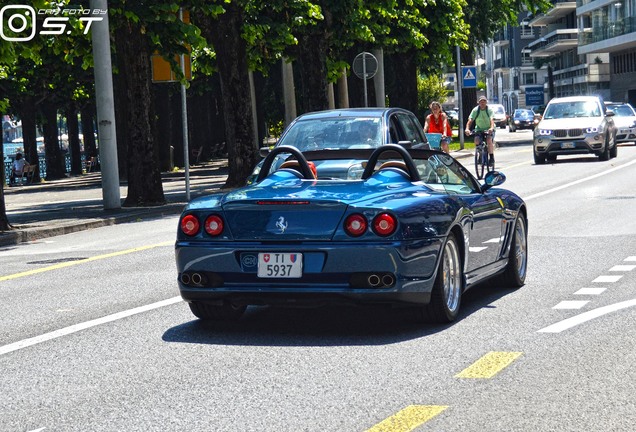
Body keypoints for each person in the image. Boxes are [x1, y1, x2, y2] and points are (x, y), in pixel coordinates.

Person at [465, 96, 496, 165]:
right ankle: (480, 153)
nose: (482, 103)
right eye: (481, 102)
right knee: (476, 140)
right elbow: (470, 120)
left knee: (489, 139)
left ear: (486, 102)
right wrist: (467, 129)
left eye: (484, 101)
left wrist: (491, 128)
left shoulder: (489, 110)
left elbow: (492, 120)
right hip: (479, 129)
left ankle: (491, 157)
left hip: (489, 129)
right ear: (478, 102)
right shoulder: (476, 110)